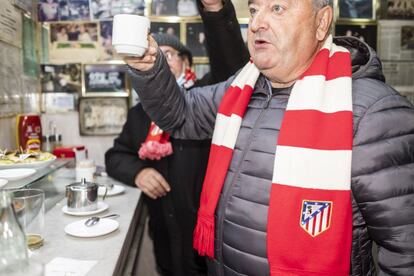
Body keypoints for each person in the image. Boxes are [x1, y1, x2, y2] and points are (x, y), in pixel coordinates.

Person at [125, 0, 414, 275]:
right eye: (253, 9)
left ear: (321, 22)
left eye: (277, 8)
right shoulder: (240, 89)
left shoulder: (373, 113)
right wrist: (149, 68)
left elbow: (405, 249)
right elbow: (180, 116)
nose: (257, 23)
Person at [105, 1, 249, 275]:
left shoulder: (208, 96)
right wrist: (139, 172)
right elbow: (115, 156)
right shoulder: (139, 114)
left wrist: (216, 10)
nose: (160, 59)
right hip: (165, 234)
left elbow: (232, 67)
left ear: (186, 61)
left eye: (168, 54)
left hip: (210, 237)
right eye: (154, 53)